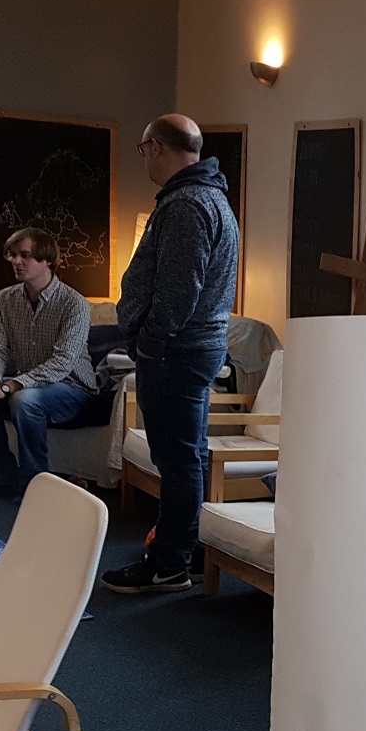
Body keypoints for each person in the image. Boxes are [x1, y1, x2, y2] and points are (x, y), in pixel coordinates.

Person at [101, 114, 240, 594]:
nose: (144, 159)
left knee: (177, 461)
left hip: (176, 352)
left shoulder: (186, 205)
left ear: (157, 147)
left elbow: (179, 291)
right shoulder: (212, 196)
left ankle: (168, 565)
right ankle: (190, 549)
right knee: (190, 457)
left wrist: (149, 343)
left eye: (144, 150)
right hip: (192, 349)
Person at [0, 227, 98, 499]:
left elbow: (61, 363)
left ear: (47, 260)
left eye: (25, 255)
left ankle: (34, 487)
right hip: (29, 383)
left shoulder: (74, 304)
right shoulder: (6, 299)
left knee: (24, 401)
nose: (16, 261)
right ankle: (2, 480)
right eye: (13, 255)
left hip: (72, 388)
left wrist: (8, 387)